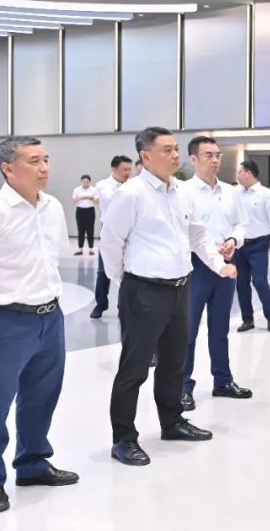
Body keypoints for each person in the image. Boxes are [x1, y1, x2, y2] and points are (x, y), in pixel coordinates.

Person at [0, 136, 79, 513]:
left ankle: (33, 464)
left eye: (46, 159)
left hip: (49, 318)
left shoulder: (52, 207)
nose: (44, 168)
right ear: (8, 168)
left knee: (41, 397)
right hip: (3, 322)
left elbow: (51, 258)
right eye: (33, 161)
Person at [101, 127, 235, 467]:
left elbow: (198, 236)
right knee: (134, 368)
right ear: (145, 156)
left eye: (176, 148)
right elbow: (111, 242)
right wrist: (127, 282)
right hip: (143, 290)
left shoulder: (181, 192)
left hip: (180, 287)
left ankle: (172, 421)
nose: (175, 155)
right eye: (167, 150)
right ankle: (123, 439)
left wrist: (219, 265)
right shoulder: (131, 194)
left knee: (174, 362)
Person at [178, 136, 253, 411]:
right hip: (195, 267)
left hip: (225, 264)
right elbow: (184, 231)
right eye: (208, 155)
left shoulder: (231, 192)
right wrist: (211, 250)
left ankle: (223, 381)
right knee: (187, 330)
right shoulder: (182, 191)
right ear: (193, 159)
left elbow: (241, 224)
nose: (215, 160)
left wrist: (233, 240)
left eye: (218, 155)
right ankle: (183, 387)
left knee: (220, 328)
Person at [235, 160, 270, 333]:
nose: (237, 175)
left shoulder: (266, 194)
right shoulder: (235, 193)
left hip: (258, 244)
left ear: (248, 173)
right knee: (241, 283)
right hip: (239, 245)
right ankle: (247, 319)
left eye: (239, 172)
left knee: (259, 280)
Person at [90, 156, 134, 319]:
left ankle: (124, 306)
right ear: (114, 169)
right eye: (124, 169)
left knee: (129, 270)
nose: (128, 173)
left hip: (130, 231)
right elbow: (114, 200)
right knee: (103, 271)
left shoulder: (132, 185)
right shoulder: (103, 185)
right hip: (109, 231)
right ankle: (100, 304)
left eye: (129, 169)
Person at [71, 174, 99, 255]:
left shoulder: (94, 189)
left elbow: (97, 201)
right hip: (80, 211)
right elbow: (73, 201)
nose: (85, 183)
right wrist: (81, 198)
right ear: (81, 182)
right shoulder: (77, 189)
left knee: (90, 230)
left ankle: (91, 249)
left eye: (87, 182)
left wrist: (90, 198)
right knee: (81, 230)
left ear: (90, 182)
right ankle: (80, 249)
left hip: (90, 211)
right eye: (84, 182)